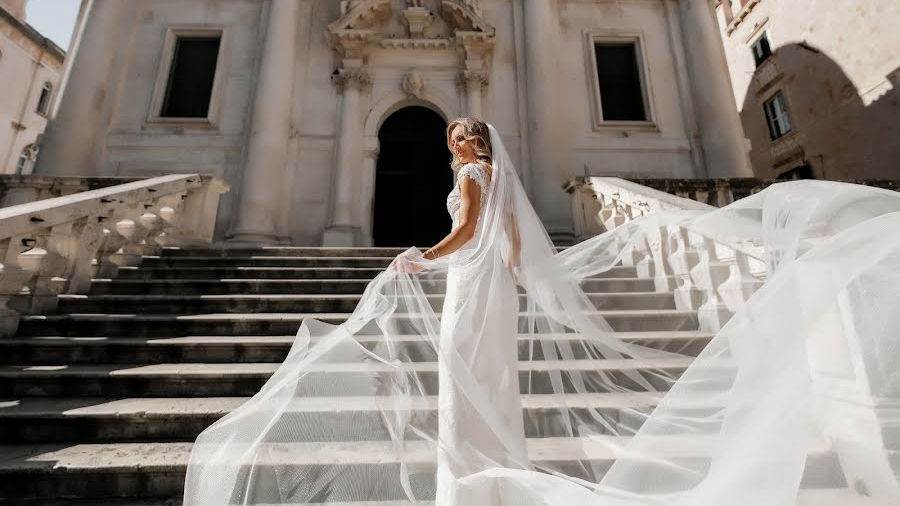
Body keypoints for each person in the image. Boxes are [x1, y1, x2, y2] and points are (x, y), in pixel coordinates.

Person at [184, 119, 900, 506]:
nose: (451, 150)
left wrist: (422, 256)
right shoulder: (499, 176)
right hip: (495, 283)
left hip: (469, 281)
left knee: (460, 370)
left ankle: (467, 480)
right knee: (487, 371)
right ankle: (495, 466)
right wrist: (514, 273)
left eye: (452, 141)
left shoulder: (468, 174)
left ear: (464, 141)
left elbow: (466, 232)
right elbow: (516, 240)